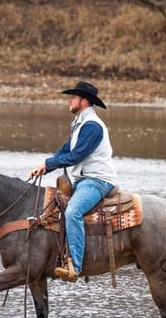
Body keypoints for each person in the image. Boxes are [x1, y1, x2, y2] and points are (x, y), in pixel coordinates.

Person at [30, 81, 118, 281]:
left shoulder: (92, 126)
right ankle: (57, 258)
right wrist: (45, 166)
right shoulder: (79, 124)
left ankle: (75, 266)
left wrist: (47, 162)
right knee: (52, 208)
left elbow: (76, 156)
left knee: (73, 211)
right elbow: (66, 150)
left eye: (73, 97)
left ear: (84, 101)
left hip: (97, 180)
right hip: (82, 180)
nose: (69, 101)